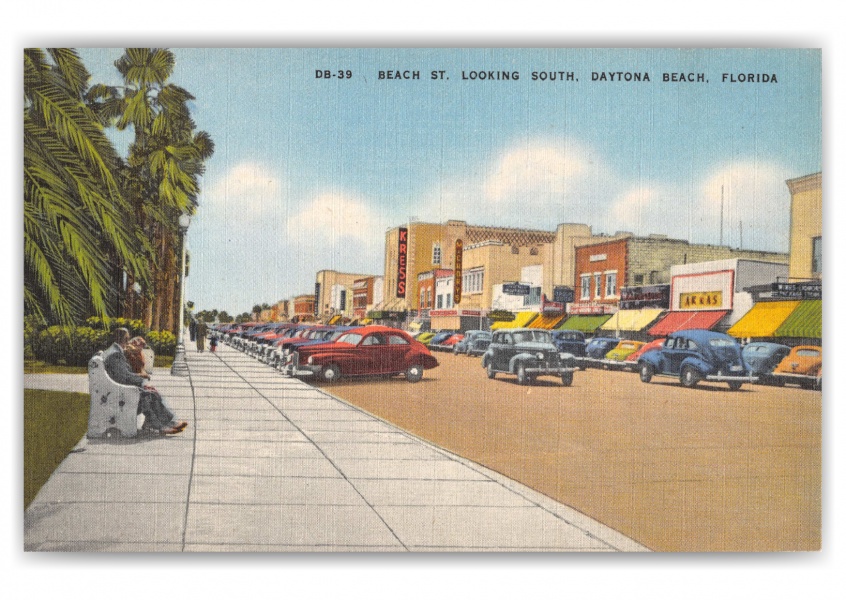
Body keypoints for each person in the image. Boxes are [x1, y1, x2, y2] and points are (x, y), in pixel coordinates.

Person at [103, 328, 187, 435]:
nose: (129, 342)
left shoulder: (114, 351)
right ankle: (164, 425)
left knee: (150, 393)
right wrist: (142, 382)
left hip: (115, 392)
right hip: (118, 396)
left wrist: (142, 385)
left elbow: (123, 376)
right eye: (127, 339)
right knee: (150, 395)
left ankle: (164, 424)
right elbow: (124, 377)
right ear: (123, 339)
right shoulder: (115, 355)